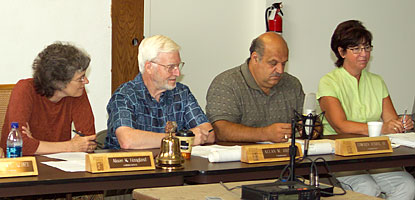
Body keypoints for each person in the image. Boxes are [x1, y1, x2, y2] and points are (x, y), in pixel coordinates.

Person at [317, 20, 415, 199]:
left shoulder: (377, 81)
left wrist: (402, 123)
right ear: (341, 52)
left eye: (367, 48)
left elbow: (391, 121)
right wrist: (381, 128)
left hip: (374, 153)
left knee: (408, 185)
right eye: (356, 49)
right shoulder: (329, 82)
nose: (364, 54)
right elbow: (340, 126)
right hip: (342, 156)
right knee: (367, 189)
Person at [106, 35, 215, 150]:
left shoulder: (181, 93)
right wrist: (182, 139)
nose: (177, 73)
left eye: (178, 66)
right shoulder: (125, 95)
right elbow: (128, 140)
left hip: (176, 166)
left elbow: (209, 133)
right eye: (170, 67)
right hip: (133, 166)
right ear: (149, 67)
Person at [0, 42, 97, 156]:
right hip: (22, 167)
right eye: (80, 78)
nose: (86, 81)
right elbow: (19, 145)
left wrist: (36, 144)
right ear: (58, 82)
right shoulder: (25, 89)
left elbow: (89, 142)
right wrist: (70, 146)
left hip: (61, 166)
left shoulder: (77, 92)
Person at [206, 32, 304, 143]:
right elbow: (221, 130)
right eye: (273, 63)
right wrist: (265, 134)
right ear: (255, 58)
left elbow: (306, 120)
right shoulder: (227, 84)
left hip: (286, 157)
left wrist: (312, 128)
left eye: (283, 64)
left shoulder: (292, 84)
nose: (280, 70)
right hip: (239, 158)